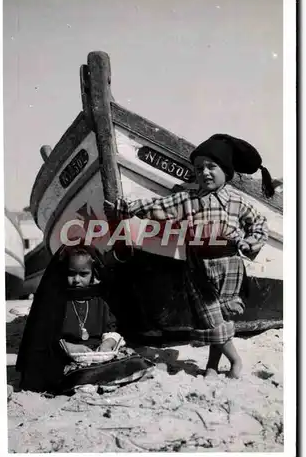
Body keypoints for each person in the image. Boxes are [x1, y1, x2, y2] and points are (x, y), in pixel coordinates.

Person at [104, 134, 274, 379]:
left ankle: (212, 367)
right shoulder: (187, 200)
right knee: (211, 317)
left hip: (231, 267)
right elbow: (156, 207)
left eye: (212, 167)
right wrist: (124, 208)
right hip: (198, 269)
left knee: (222, 316)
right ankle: (236, 361)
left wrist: (250, 242)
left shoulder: (237, 202)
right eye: (199, 168)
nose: (205, 172)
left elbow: (259, 223)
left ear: (226, 171)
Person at [16, 245, 153, 394]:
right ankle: (95, 380)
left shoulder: (100, 302)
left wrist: (108, 343)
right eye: (71, 274)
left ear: (92, 274)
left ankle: (96, 379)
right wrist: (69, 346)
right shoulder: (57, 302)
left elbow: (111, 328)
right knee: (61, 369)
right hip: (68, 355)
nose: (76, 280)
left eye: (83, 274)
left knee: (132, 359)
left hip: (98, 354)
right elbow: (47, 336)